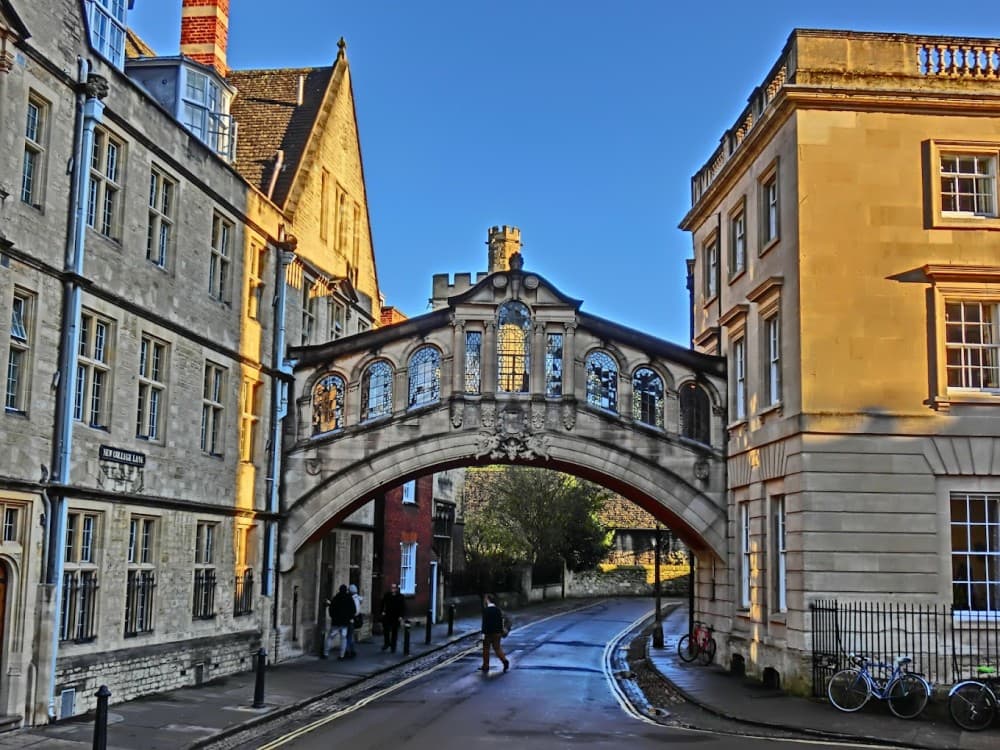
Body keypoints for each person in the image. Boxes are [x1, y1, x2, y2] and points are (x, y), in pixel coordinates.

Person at [480, 593, 510, 673]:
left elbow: (484, 623)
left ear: (487, 600)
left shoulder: (486, 610)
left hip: (488, 633)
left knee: (486, 649)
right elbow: (501, 622)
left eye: (485, 599)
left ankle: (485, 666)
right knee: (497, 648)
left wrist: (483, 634)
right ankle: (504, 660)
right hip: (497, 633)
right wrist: (501, 631)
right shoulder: (498, 610)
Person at [326, 584, 356, 660]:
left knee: (330, 637)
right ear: (346, 590)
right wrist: (350, 618)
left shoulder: (336, 598)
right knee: (343, 639)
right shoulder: (349, 598)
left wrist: (333, 616)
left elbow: (331, 609)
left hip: (336, 622)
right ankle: (341, 655)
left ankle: (325, 653)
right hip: (345, 623)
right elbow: (353, 610)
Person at [379, 582, 406, 653]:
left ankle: (393, 646)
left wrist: (401, 616)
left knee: (394, 632)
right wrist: (382, 611)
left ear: (397, 589)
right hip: (387, 615)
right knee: (386, 630)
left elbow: (402, 607)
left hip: (396, 616)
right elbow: (382, 603)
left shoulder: (400, 597)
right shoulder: (387, 595)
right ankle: (387, 643)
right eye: (392, 588)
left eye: (394, 588)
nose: (392, 589)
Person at [345, 583, 364, 657]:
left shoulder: (353, 599)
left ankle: (347, 650)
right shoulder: (358, 598)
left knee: (348, 635)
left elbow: (355, 610)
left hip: (351, 618)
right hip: (353, 619)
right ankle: (352, 650)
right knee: (350, 635)